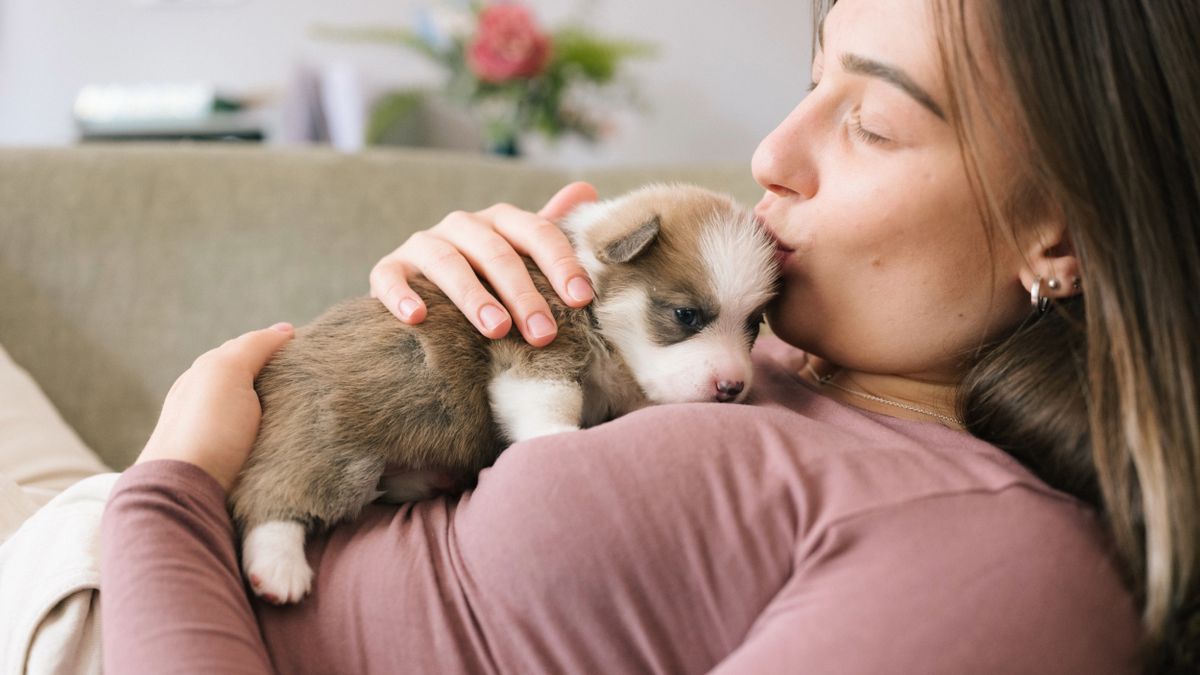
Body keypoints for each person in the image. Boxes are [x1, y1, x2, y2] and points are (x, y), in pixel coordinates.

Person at [52, 0, 1194, 672]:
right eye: (809, 82)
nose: (770, 157)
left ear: (1061, 233)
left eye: (871, 121)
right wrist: (449, 330)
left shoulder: (998, 570)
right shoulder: (780, 360)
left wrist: (174, 485)